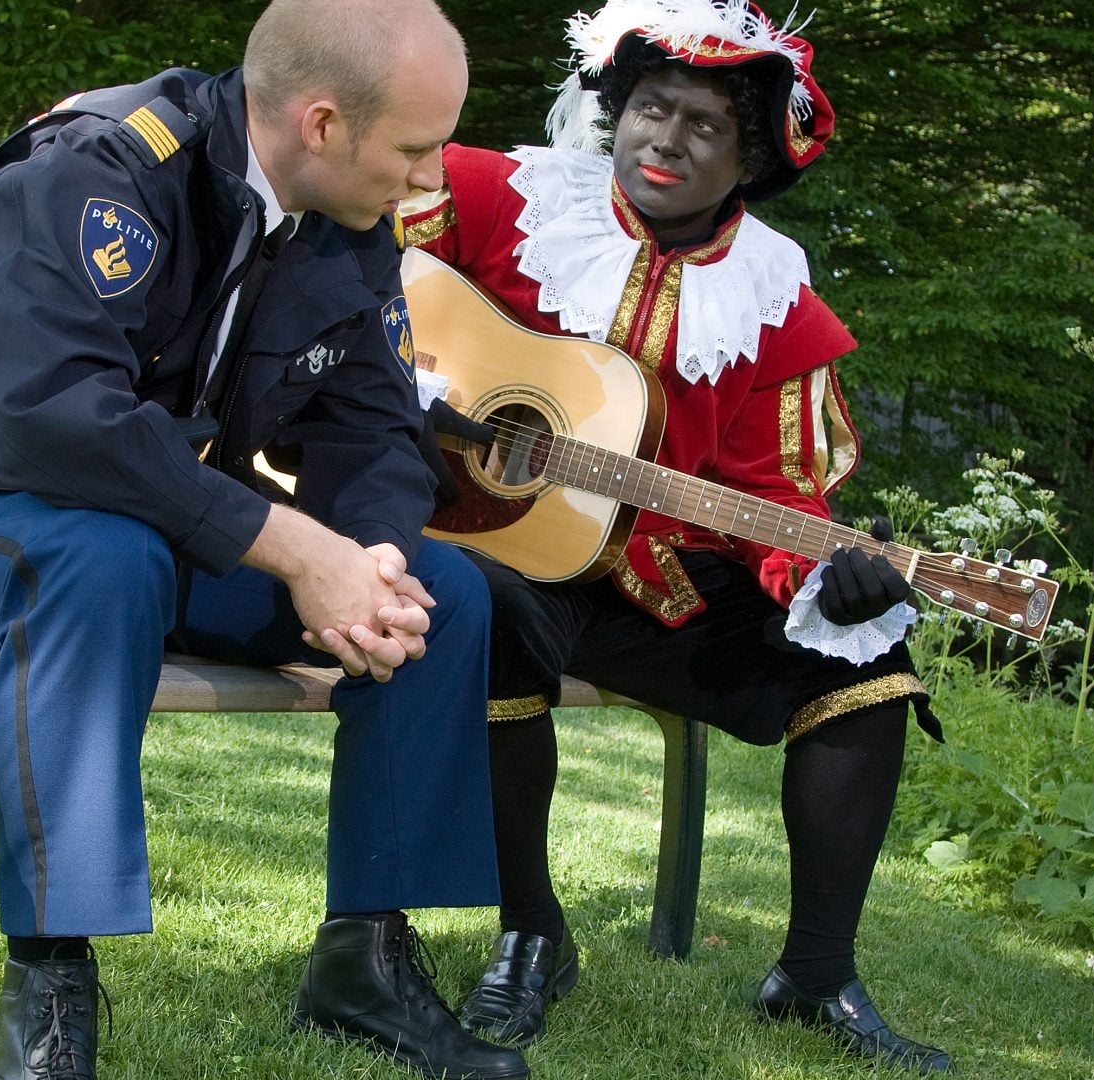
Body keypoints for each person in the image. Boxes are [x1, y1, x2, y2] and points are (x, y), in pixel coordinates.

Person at [0, 2, 529, 1078]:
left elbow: (377, 428)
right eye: (413, 147)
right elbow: (52, 424)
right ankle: (50, 986)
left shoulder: (345, 227)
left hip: (152, 542)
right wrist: (299, 553)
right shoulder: (98, 164)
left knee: (441, 590)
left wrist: (373, 559)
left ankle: (365, 960)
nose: (432, 176)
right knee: (97, 557)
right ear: (320, 123)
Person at [400, 1, 952, 1073]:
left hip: (657, 581)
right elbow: (346, 251)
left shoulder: (778, 303)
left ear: (749, 156)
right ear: (618, 108)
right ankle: (531, 931)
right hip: (491, 543)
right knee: (493, 609)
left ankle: (816, 974)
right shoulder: (495, 194)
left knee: (871, 661)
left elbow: (776, 489)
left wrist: (820, 574)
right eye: (653, 109)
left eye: (706, 125)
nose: (667, 139)